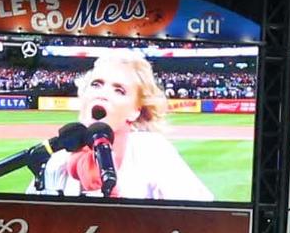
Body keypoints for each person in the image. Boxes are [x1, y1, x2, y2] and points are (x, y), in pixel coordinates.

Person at [48, 54, 212, 202]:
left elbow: (202, 217)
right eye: (96, 84)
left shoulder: (153, 151)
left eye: (119, 90)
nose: (102, 94)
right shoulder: (58, 160)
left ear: (135, 111)